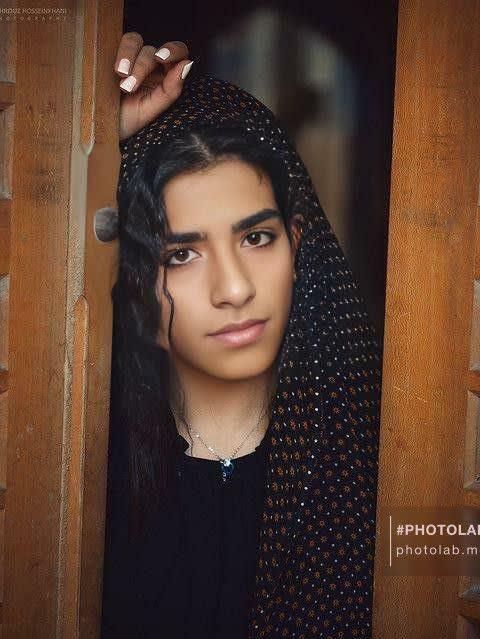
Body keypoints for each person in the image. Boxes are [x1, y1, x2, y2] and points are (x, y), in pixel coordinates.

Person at [101, 34, 382, 639]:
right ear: (134, 279)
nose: (233, 289)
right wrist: (95, 143)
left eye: (256, 238)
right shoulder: (81, 469)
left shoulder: (370, 463)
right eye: (181, 254)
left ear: (297, 246)